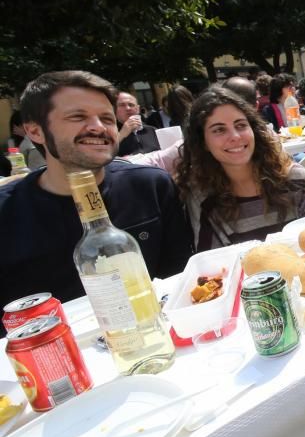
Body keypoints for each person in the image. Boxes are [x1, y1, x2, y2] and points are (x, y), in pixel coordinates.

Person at [0, 71, 192, 332]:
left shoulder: (150, 187)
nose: (98, 127)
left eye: (106, 118)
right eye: (77, 117)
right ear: (35, 130)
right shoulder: (7, 214)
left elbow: (181, 281)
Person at [175, 87, 305, 251]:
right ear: (203, 142)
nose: (235, 137)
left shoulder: (296, 180)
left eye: (240, 125)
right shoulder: (202, 198)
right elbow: (216, 267)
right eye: (219, 130)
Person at [116, 91, 161, 156]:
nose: (128, 108)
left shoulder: (153, 130)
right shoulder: (109, 134)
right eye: (122, 105)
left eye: (131, 105)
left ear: (138, 109)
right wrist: (121, 135)